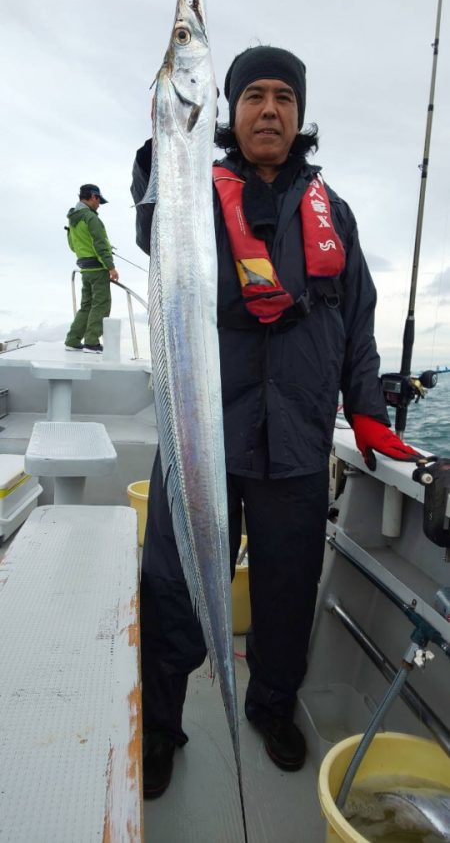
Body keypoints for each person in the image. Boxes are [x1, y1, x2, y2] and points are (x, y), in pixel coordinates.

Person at [131, 46, 421, 799]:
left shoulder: (335, 212)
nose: (269, 110)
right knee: (172, 585)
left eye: (283, 98)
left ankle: (270, 704)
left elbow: (357, 322)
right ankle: (160, 724)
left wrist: (367, 412)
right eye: (253, 95)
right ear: (227, 111)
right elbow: (152, 225)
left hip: (296, 439)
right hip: (204, 435)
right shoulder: (191, 189)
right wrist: (162, 144)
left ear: (299, 113)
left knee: (288, 590)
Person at [64, 183, 119, 353]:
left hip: (85, 268)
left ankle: (72, 340)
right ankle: (92, 342)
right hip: (98, 269)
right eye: (99, 200)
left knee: (86, 305)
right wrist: (110, 267)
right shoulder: (91, 218)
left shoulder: (73, 219)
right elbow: (100, 243)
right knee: (101, 304)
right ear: (93, 197)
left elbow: (72, 246)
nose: (99, 204)